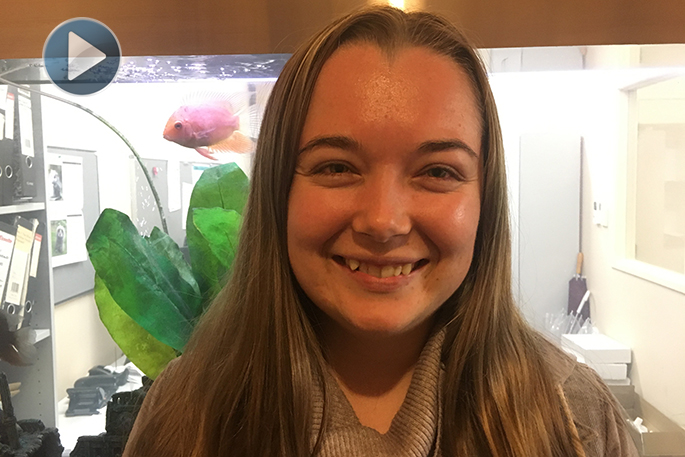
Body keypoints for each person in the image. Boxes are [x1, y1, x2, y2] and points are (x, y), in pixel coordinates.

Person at [123, 6, 639, 457]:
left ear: (485, 198)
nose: (383, 221)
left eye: (438, 171)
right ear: (278, 191)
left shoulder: (575, 417)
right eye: (336, 167)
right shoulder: (186, 414)